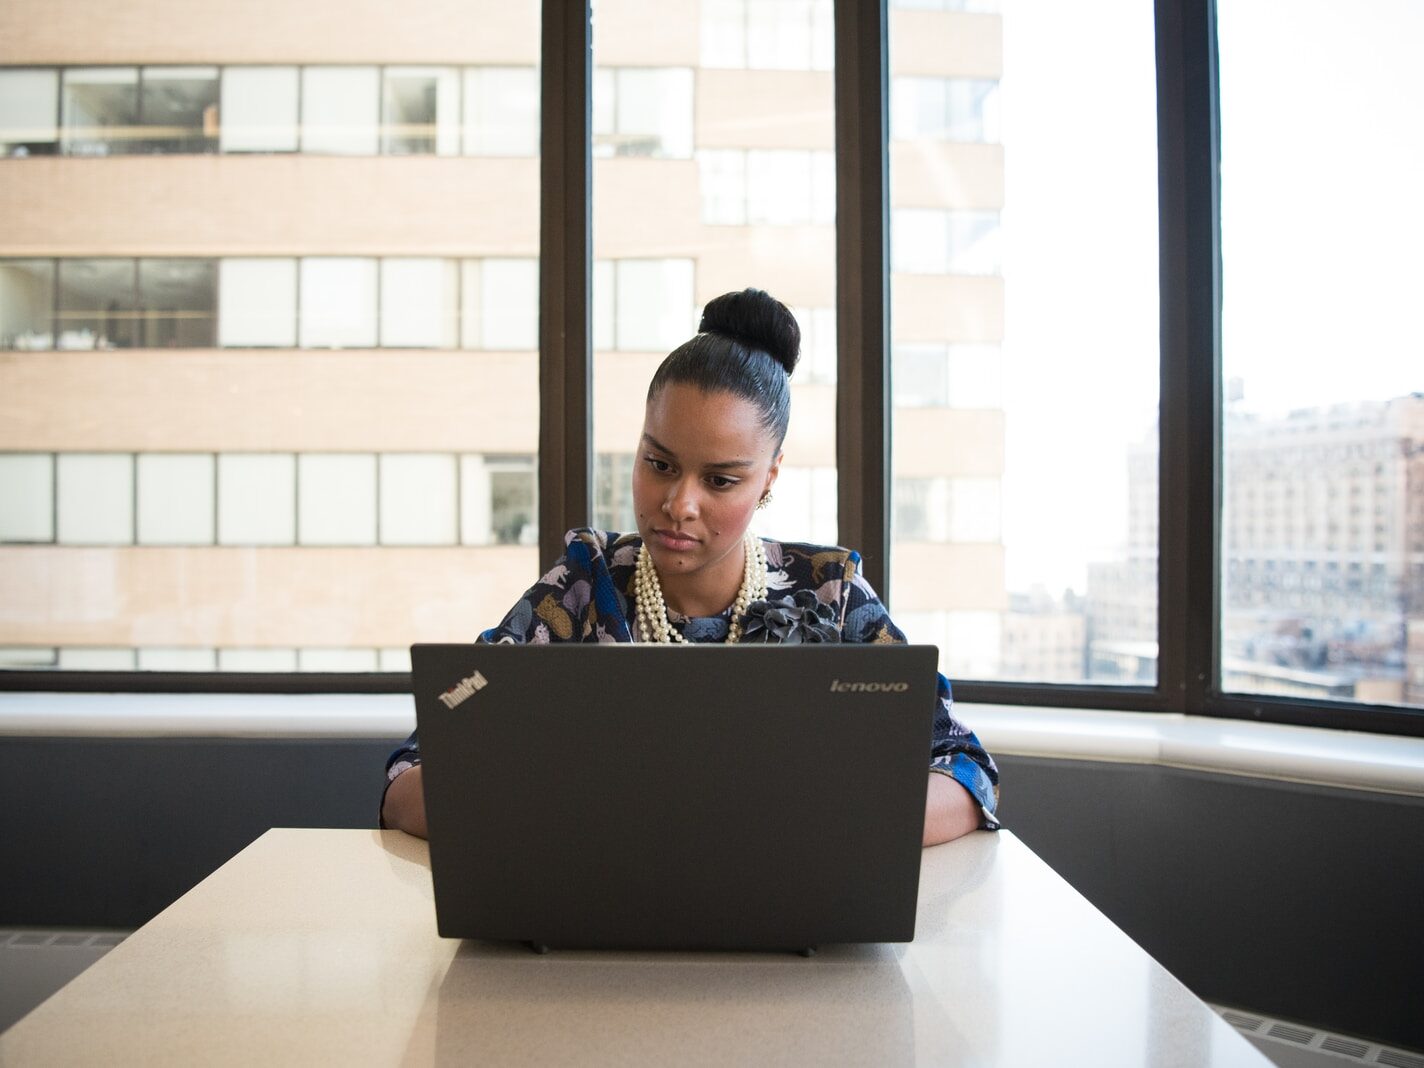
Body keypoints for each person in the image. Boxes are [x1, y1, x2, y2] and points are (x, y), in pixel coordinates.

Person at [382, 288, 1000, 844]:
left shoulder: (830, 597)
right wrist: (558, 810)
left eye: (721, 480)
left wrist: (820, 820)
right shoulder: (582, 585)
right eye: (660, 464)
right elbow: (412, 775)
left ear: (769, 479)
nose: (679, 505)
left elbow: (966, 772)